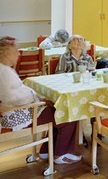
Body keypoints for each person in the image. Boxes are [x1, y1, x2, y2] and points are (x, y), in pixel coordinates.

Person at [0, 36, 81, 164]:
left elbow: (17, 94)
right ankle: (61, 154)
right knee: (67, 112)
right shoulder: (5, 73)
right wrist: (35, 97)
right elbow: (16, 98)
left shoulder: (4, 70)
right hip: (18, 114)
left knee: (55, 108)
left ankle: (46, 150)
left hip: (14, 112)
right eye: (15, 51)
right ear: (6, 54)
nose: (18, 54)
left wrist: (36, 97)